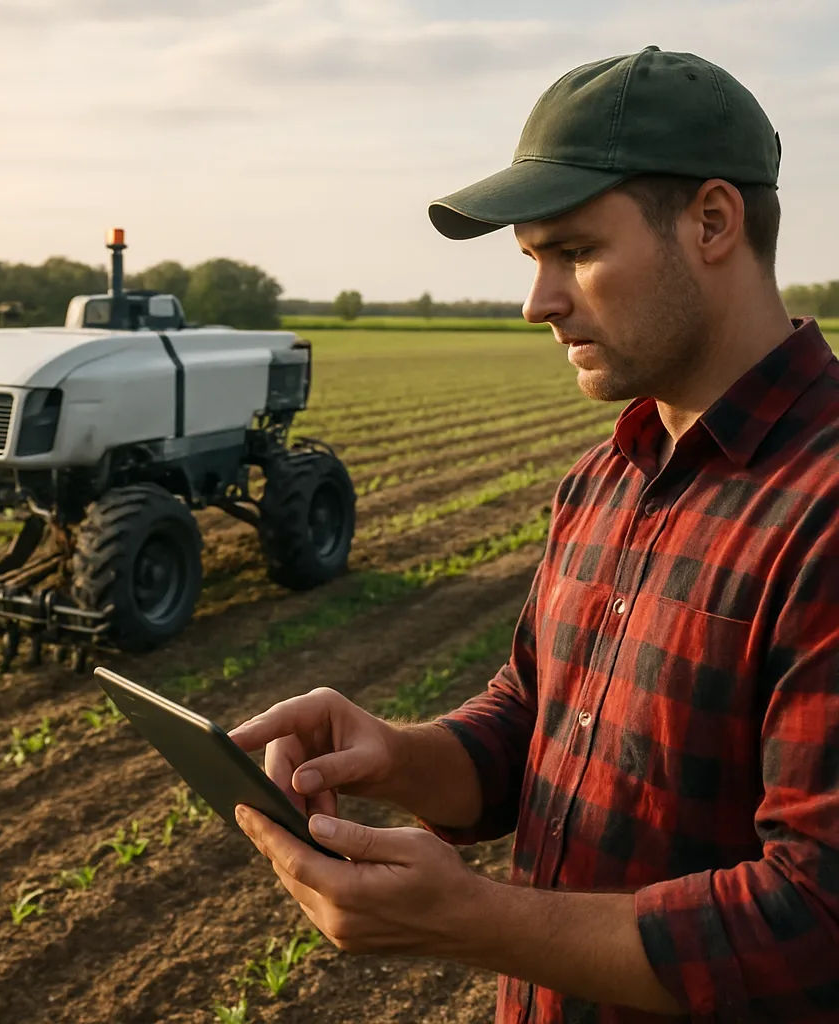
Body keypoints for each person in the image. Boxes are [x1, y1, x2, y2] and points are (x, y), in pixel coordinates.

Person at [229, 44, 839, 1022]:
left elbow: (815, 920)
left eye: (576, 251)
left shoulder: (824, 505)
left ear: (712, 222)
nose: (537, 302)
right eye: (530, 260)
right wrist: (394, 753)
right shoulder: (603, 479)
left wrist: (473, 918)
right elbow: (536, 717)